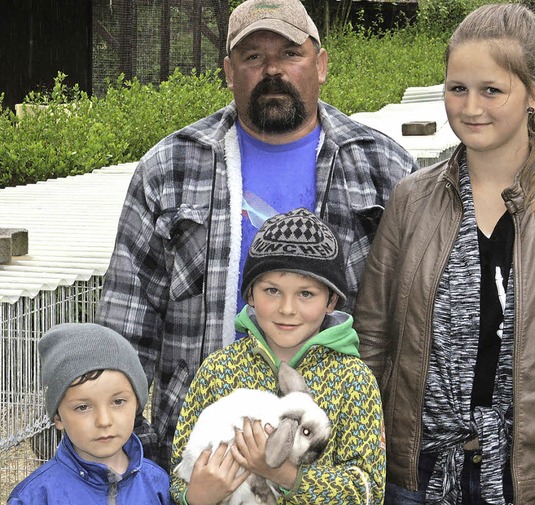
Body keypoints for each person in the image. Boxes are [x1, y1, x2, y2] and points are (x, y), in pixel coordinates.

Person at [96, 0, 417, 470]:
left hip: (338, 461)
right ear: (228, 71)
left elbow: (416, 325)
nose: (272, 70)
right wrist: (138, 458)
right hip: (202, 460)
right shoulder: (169, 170)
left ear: (321, 64)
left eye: (290, 53)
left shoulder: (382, 168)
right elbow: (126, 325)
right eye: (253, 57)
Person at [353, 4, 535, 504]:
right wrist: (360, 466)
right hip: (413, 482)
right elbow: (372, 344)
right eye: (457, 88)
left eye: (492, 90)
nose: (470, 107)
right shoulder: (410, 201)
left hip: (525, 486)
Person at [170, 207, 385, 505]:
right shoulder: (219, 370)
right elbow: (178, 472)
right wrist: (194, 496)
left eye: (306, 294)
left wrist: (285, 474)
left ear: (331, 300)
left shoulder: (353, 380)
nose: (287, 309)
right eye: (272, 290)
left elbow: (368, 490)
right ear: (250, 295)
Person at [8, 323, 171, 504]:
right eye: (83, 407)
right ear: (58, 417)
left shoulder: (157, 483)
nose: (104, 421)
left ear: (137, 404)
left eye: (118, 402)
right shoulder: (35, 496)